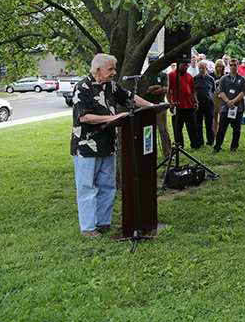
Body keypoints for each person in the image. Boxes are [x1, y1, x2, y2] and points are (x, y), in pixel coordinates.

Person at [71, 54, 152, 238]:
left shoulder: (110, 86)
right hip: (86, 148)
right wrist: (112, 118)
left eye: (114, 69)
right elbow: (84, 117)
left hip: (108, 146)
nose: (114, 73)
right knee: (87, 188)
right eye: (111, 70)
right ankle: (88, 228)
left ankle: (104, 223)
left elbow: (129, 97)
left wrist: (152, 105)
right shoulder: (82, 88)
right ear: (98, 69)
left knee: (108, 186)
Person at [213, 57, 245, 153]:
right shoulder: (224, 78)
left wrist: (233, 102)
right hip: (225, 107)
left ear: (237, 66)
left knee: (236, 129)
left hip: (238, 107)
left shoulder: (242, 79)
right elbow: (221, 91)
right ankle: (217, 147)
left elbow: (243, 92)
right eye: (231, 65)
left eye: (235, 65)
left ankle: (234, 147)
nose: (232, 67)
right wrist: (228, 101)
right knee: (222, 128)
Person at [142, 56, 171, 159]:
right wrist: (155, 87)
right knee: (149, 131)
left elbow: (164, 90)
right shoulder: (145, 76)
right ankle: (151, 154)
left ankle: (167, 154)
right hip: (147, 107)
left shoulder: (163, 75)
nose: (153, 65)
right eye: (151, 63)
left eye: (155, 62)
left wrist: (149, 89)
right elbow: (142, 91)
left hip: (160, 106)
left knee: (163, 131)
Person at [169, 61, 202, 150]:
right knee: (177, 127)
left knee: (193, 126)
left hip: (189, 105)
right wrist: (170, 103)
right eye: (184, 65)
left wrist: (196, 102)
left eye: (187, 65)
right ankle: (179, 145)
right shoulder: (172, 75)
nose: (186, 67)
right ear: (179, 64)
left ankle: (195, 144)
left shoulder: (189, 76)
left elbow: (193, 90)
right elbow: (168, 91)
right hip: (177, 106)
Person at [193, 61, 216, 146]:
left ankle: (210, 141)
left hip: (208, 102)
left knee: (209, 122)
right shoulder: (195, 79)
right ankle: (200, 141)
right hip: (198, 103)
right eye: (199, 68)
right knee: (198, 123)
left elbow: (213, 90)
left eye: (203, 68)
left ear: (206, 69)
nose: (201, 70)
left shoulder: (211, 79)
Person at [211, 59, 226, 136]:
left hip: (223, 96)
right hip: (215, 95)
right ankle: (215, 133)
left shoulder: (226, 75)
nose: (219, 68)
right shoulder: (212, 75)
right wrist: (215, 83)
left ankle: (221, 134)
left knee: (222, 115)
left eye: (220, 67)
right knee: (214, 114)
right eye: (218, 67)